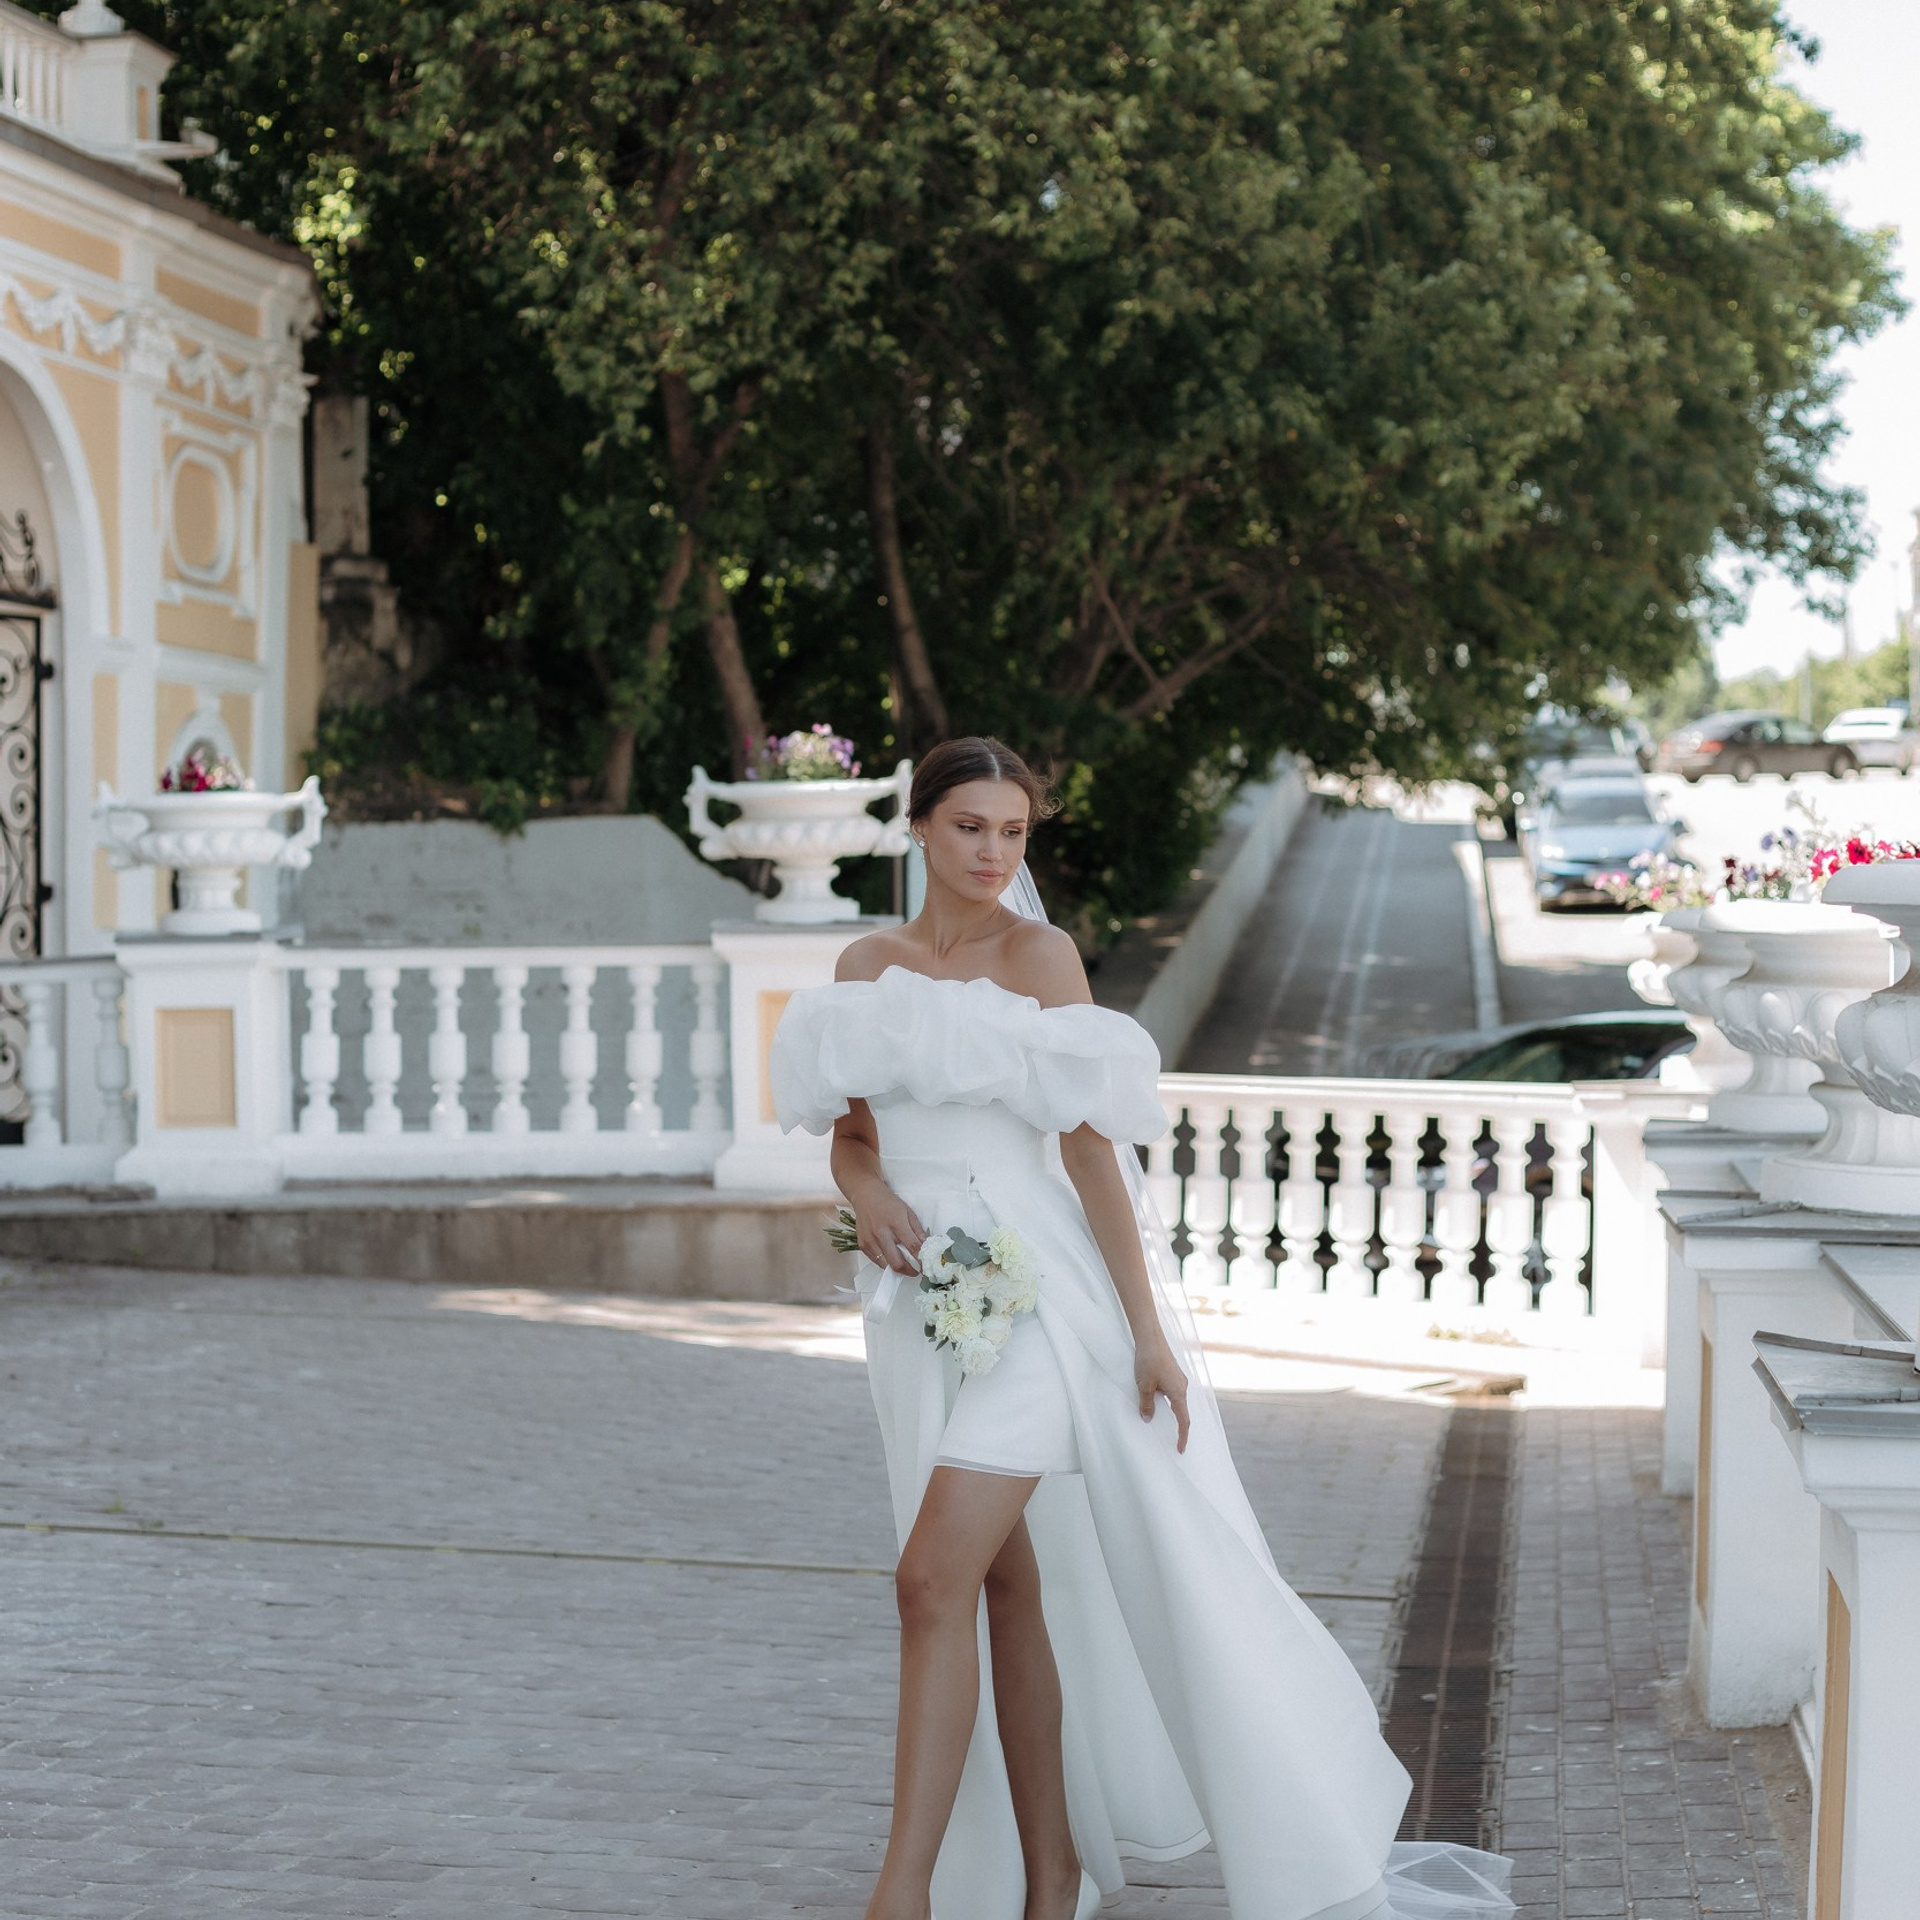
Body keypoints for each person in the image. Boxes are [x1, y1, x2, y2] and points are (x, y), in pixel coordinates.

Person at [769, 737, 1513, 1920]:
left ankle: (897, 1896)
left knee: (926, 1581)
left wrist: (1148, 1334)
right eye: (970, 827)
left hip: (1039, 1307)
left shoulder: (1042, 957)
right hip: (918, 1307)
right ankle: (1050, 1873)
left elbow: (1089, 1153)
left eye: (1014, 832)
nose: (994, 853)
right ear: (918, 827)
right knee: (1002, 1590)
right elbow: (853, 1138)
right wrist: (868, 1199)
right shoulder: (865, 967)